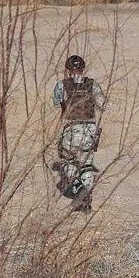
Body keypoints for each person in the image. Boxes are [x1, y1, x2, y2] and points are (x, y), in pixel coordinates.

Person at [52, 55, 106, 213]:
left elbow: (56, 103)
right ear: (83, 68)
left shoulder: (62, 85)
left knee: (69, 162)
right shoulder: (92, 84)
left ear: (67, 70)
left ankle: (79, 190)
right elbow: (103, 104)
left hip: (71, 128)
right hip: (90, 129)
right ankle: (86, 201)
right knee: (87, 165)